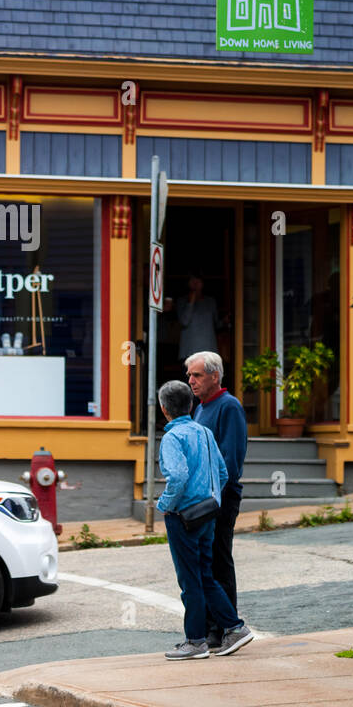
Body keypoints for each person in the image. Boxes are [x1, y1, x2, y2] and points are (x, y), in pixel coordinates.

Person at [154, 380, 253, 660]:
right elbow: (222, 473)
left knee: (190, 580)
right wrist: (212, 500)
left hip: (182, 515)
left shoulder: (173, 438)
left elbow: (178, 476)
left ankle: (196, 640)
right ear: (191, 405)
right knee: (206, 575)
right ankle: (234, 627)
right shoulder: (205, 433)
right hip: (208, 512)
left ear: (164, 409)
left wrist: (164, 505)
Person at [185, 350, 248, 648]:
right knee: (204, 563)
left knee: (219, 561)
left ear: (214, 376)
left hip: (219, 498)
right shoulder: (200, 408)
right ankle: (213, 628)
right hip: (203, 497)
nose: (191, 380)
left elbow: (230, 462)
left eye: (196, 375)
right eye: (189, 375)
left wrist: (211, 498)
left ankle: (227, 628)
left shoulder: (228, 407)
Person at [166, 275, 219, 361]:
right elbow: (184, 321)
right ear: (188, 283)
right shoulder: (182, 301)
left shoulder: (210, 301)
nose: (195, 283)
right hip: (190, 351)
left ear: (202, 283)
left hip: (209, 350)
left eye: (198, 280)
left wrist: (224, 321)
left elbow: (216, 324)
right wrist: (190, 302)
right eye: (192, 280)